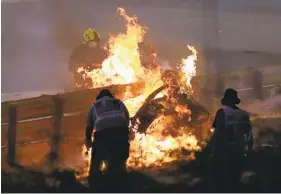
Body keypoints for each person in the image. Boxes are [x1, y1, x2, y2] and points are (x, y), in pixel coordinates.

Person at [84, 89, 130, 189]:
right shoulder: (118, 102)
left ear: (99, 97)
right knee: (119, 161)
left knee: (97, 161)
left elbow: (89, 126)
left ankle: (95, 183)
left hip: (102, 133)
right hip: (121, 132)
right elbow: (127, 119)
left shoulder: (95, 105)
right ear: (111, 96)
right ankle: (122, 181)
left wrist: (88, 140)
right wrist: (124, 134)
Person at [209, 88, 253, 192]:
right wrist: (249, 152)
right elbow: (249, 135)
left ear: (226, 100)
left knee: (223, 182)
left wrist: (211, 149)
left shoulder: (222, 112)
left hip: (224, 152)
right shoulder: (244, 114)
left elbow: (218, 132)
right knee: (236, 182)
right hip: (239, 152)